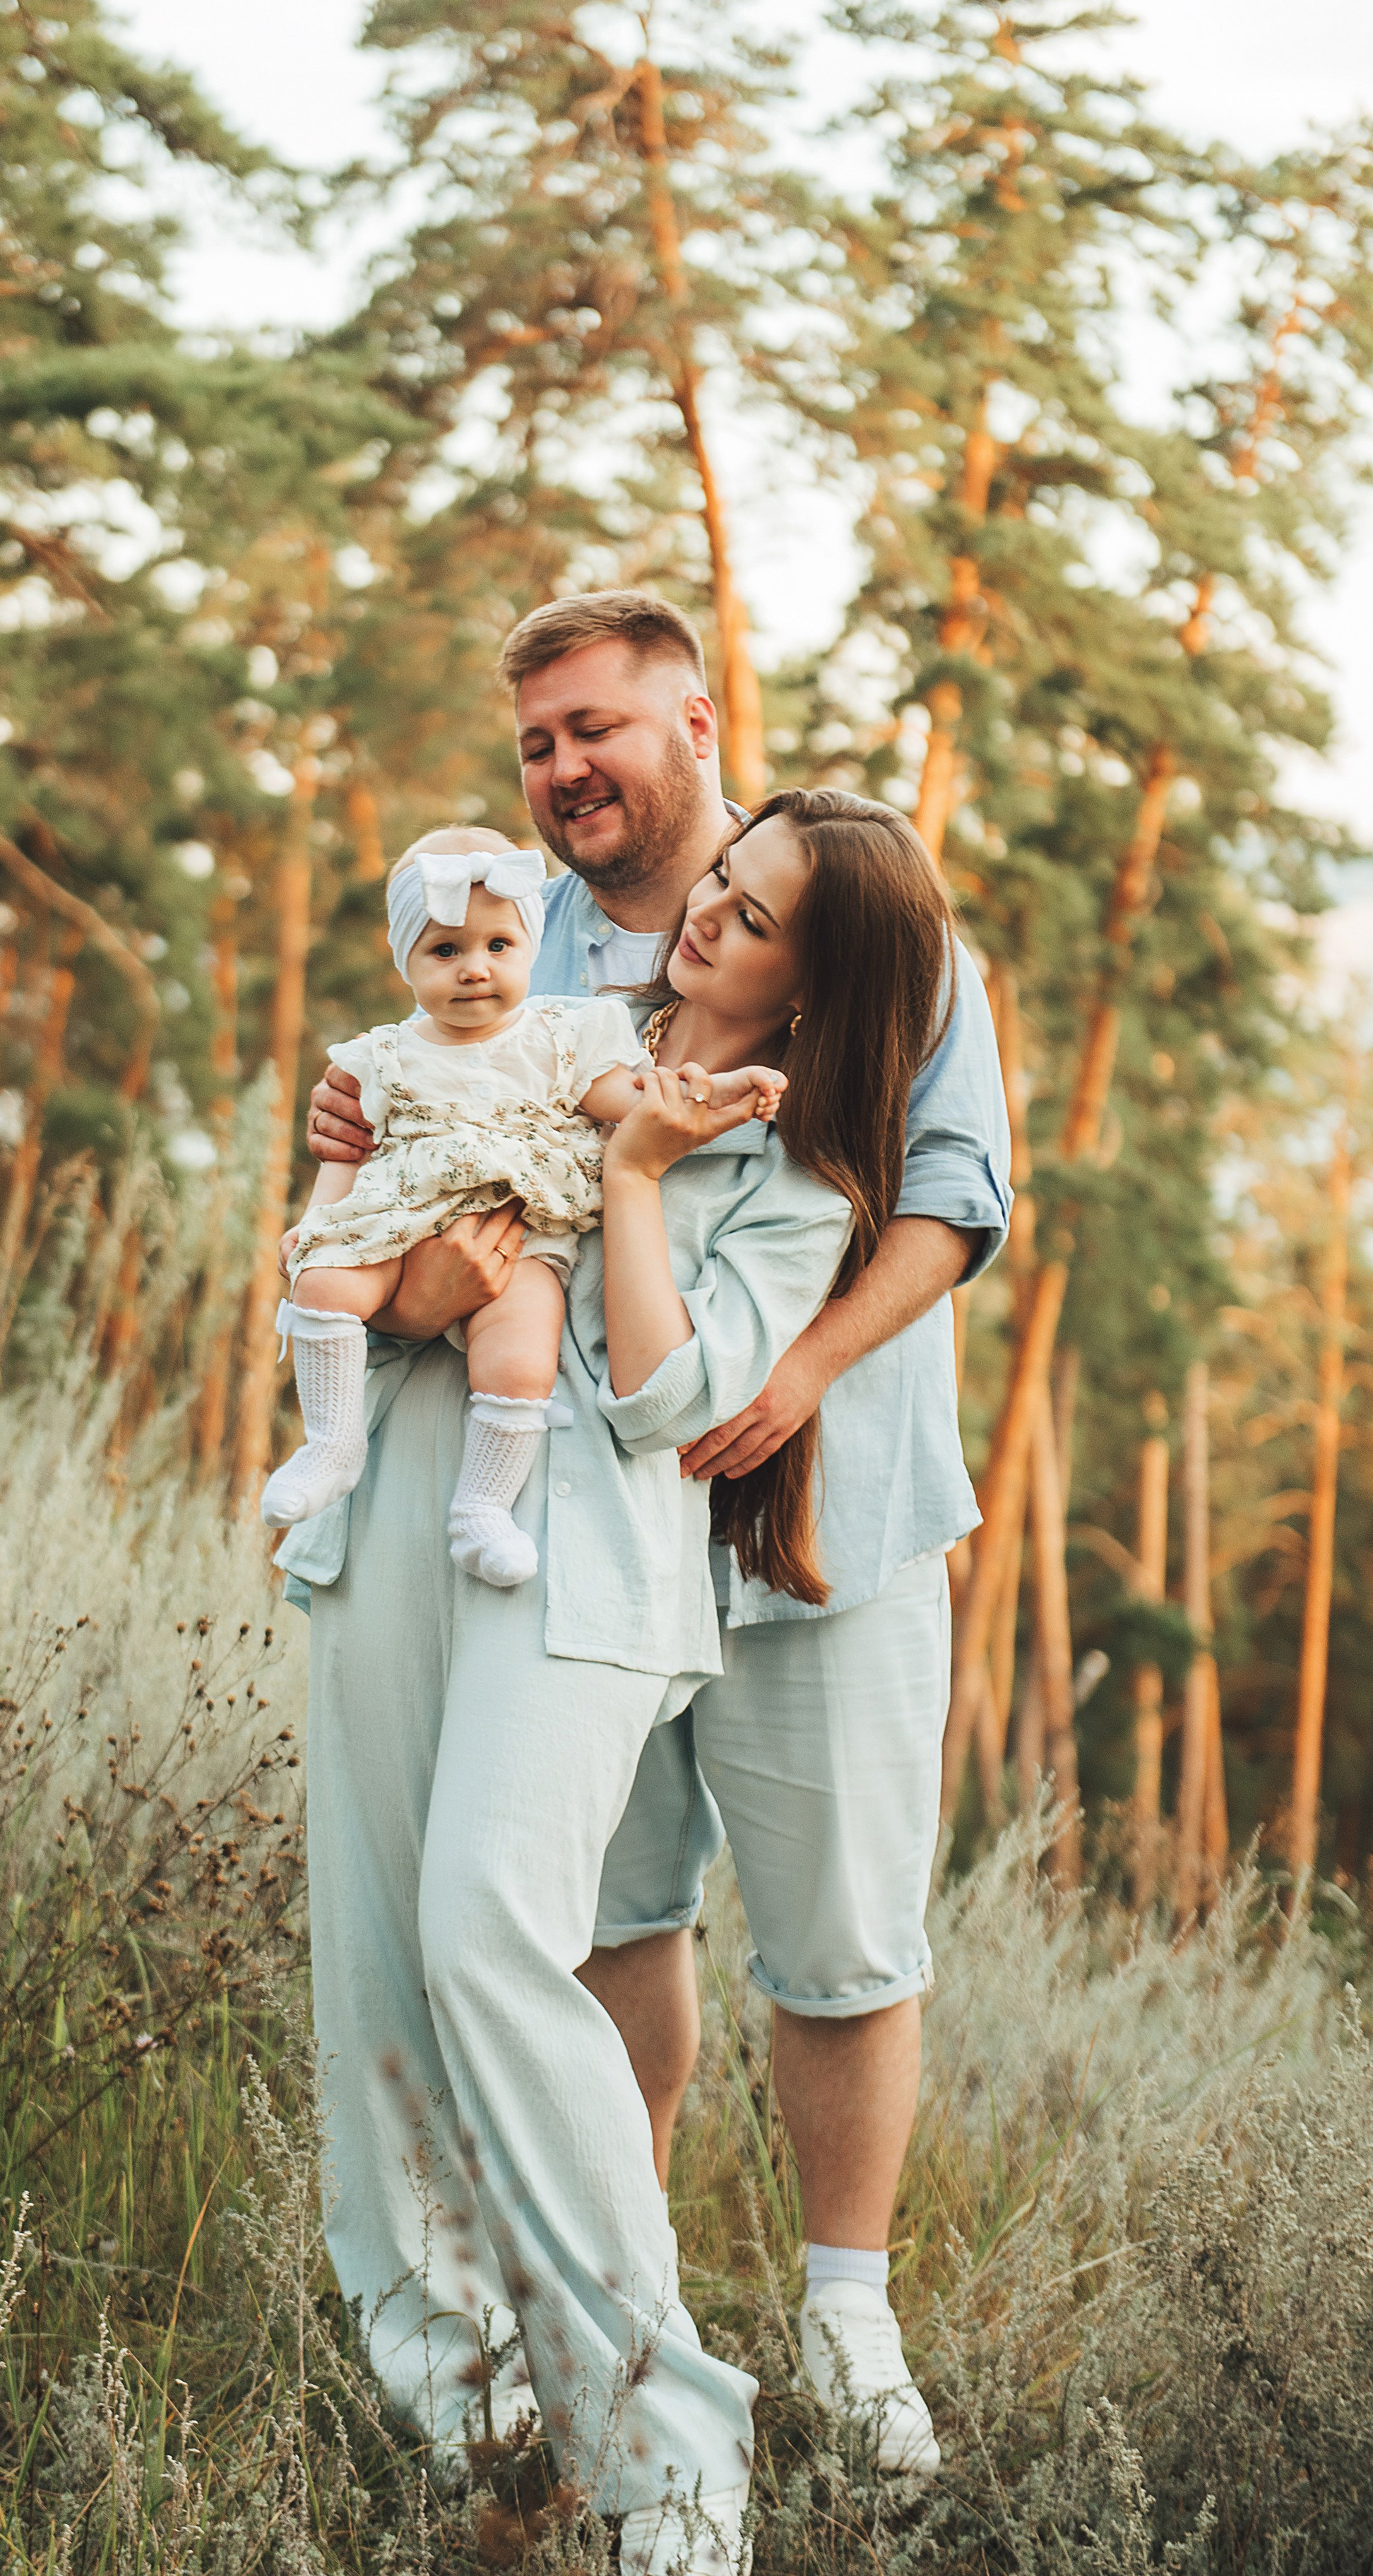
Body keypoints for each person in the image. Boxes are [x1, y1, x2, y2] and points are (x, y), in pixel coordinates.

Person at [307, 590, 1011, 2476]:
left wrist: (805, 1371)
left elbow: (954, 1191)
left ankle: (849, 2316)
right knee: (604, 1921)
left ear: (693, 724)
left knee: (839, 1935)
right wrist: (361, 1133)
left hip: (821, 1522)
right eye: (536, 741)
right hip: (590, 1540)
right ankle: (618, 2310)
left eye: (594, 728)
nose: (563, 769)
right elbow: (437, 1164)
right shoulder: (512, 947)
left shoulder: (861, 912)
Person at [262, 828, 650, 1586]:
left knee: (521, 1357)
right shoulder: (381, 1056)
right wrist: (314, 1225)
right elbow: (346, 1151)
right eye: (445, 950)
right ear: (404, 961)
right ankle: (331, 1444)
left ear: (530, 947)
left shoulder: (562, 1034)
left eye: (499, 945)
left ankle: (482, 1510)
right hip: (394, 1223)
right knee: (324, 1282)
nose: (476, 968)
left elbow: (632, 1102)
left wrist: (703, 1095)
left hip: (521, 1230)